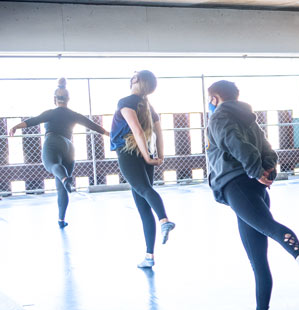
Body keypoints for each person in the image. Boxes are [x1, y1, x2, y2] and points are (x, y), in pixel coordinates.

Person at [205, 80, 299, 310]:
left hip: (236, 186)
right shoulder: (249, 119)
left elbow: (235, 143)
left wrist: (256, 170)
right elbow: (267, 149)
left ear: (214, 98)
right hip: (253, 186)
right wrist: (268, 171)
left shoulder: (219, 117)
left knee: (269, 230)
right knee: (258, 258)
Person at [8, 78, 109, 228]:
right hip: (69, 146)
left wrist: (16, 126)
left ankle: (64, 177)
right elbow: (92, 125)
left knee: (51, 164)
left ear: (55, 99)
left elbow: (33, 120)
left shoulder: (51, 113)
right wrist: (109, 134)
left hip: (53, 141)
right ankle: (61, 219)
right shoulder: (73, 114)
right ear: (68, 99)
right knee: (62, 187)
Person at [110, 70, 175, 269]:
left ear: (136, 80)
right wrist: (159, 155)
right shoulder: (148, 106)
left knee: (145, 191)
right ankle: (149, 256)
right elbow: (158, 132)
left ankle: (164, 220)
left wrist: (147, 155)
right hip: (146, 152)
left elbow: (136, 130)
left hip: (129, 152)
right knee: (143, 202)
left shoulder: (126, 101)